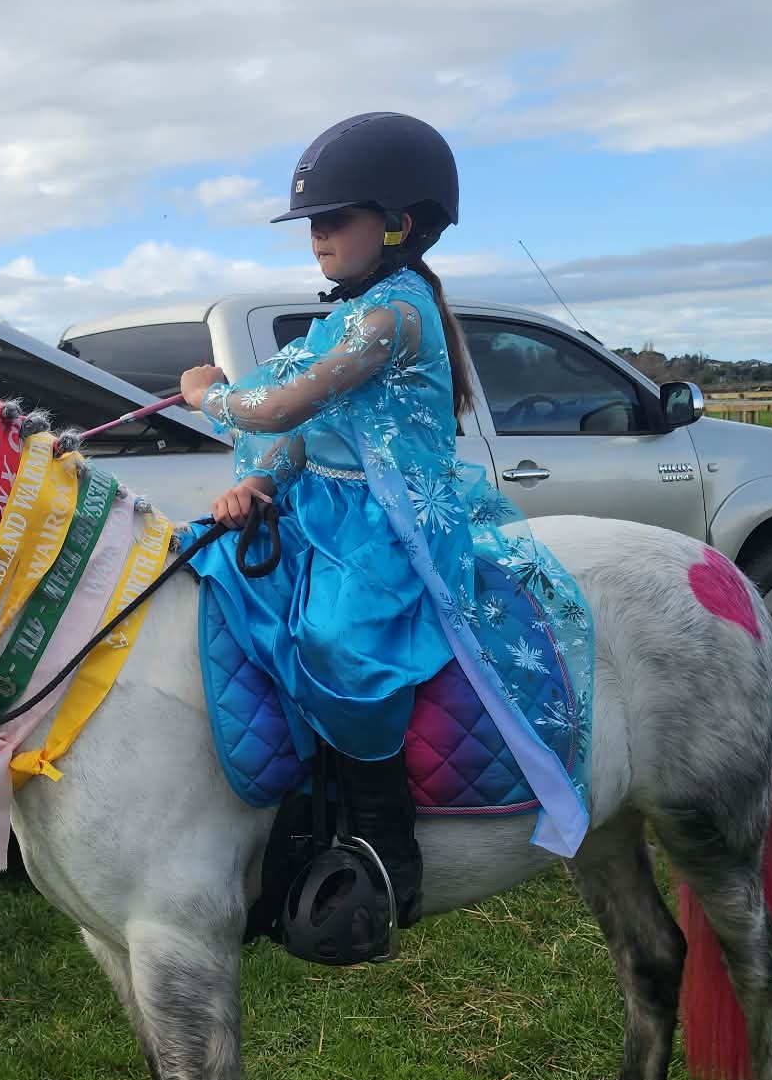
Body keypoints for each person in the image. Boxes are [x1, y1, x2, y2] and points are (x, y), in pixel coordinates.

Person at [180, 112, 594, 963]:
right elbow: (311, 433)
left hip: (391, 523)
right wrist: (262, 483)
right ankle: (291, 813)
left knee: (341, 642)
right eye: (312, 223)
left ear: (400, 224)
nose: (319, 236)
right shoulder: (348, 314)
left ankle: (385, 841)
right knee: (226, 586)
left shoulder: (395, 316)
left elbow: (280, 404)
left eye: (336, 219)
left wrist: (208, 396)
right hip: (322, 510)